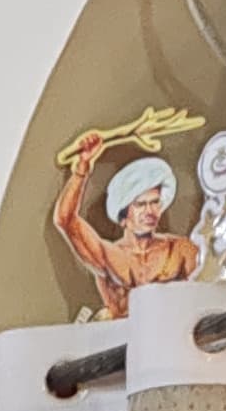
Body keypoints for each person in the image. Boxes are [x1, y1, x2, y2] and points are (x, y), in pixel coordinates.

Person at [52, 135, 202, 321]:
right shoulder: (109, 255)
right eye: (140, 204)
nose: (150, 211)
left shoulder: (180, 249)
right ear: (124, 214)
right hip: (125, 336)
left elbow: (203, 294)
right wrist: (82, 168)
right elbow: (65, 219)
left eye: (155, 202)